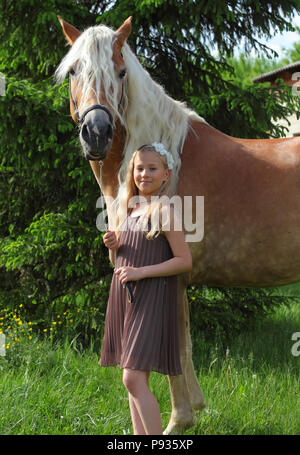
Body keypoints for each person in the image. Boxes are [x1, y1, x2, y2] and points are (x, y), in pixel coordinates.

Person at [100, 143, 192, 435]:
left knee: (133, 378)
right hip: (126, 299)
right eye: (139, 168)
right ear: (132, 172)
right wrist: (113, 248)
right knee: (133, 378)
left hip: (150, 297)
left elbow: (184, 261)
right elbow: (120, 260)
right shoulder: (129, 209)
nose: (144, 174)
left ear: (165, 175)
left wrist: (142, 272)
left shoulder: (164, 211)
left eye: (152, 169)